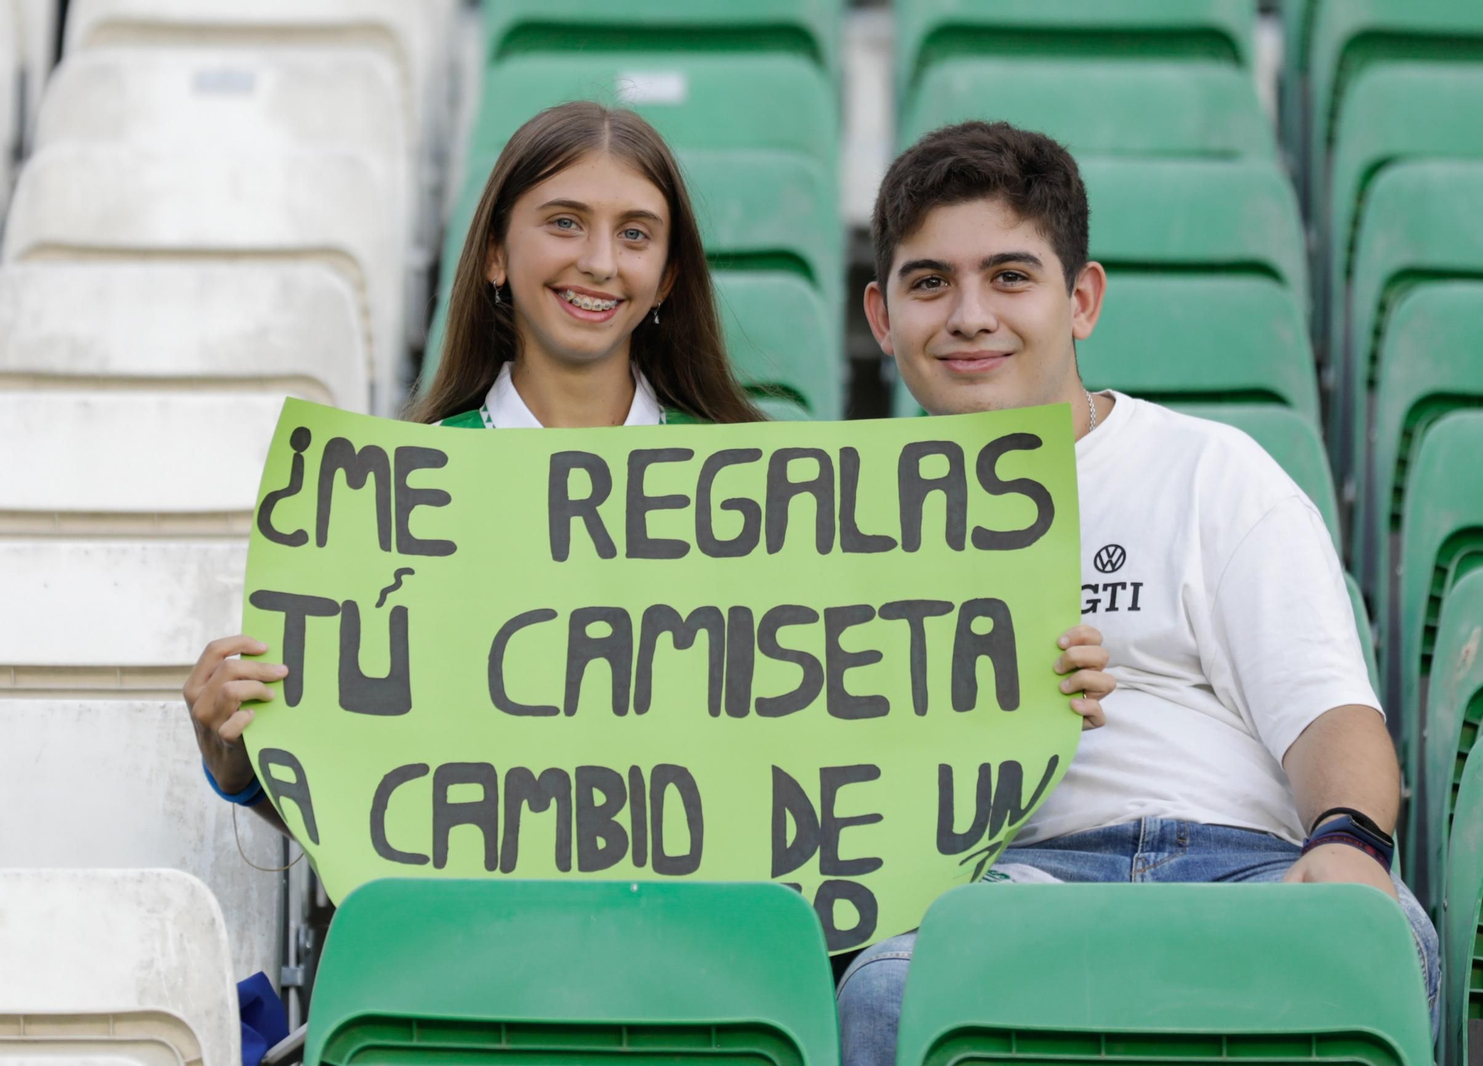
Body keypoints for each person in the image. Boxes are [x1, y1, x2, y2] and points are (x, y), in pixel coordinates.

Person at [185, 104, 1116, 839]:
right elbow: (376, 811)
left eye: (636, 234)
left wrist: (1020, 685)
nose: (599, 261)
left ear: (669, 277)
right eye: (563, 222)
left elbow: (856, 760)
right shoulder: (380, 495)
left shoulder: (768, 491)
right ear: (497, 256)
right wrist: (239, 760)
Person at [836, 120, 1441, 1057]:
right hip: (1004, 885)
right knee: (887, 990)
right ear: (881, 318)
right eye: (929, 283)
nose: (968, 316)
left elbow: (1330, 716)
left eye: (1009, 276)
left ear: (1080, 300)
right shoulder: (839, 517)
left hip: (1241, 868)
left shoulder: (1211, 470)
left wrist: (1350, 841)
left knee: (1381, 936)